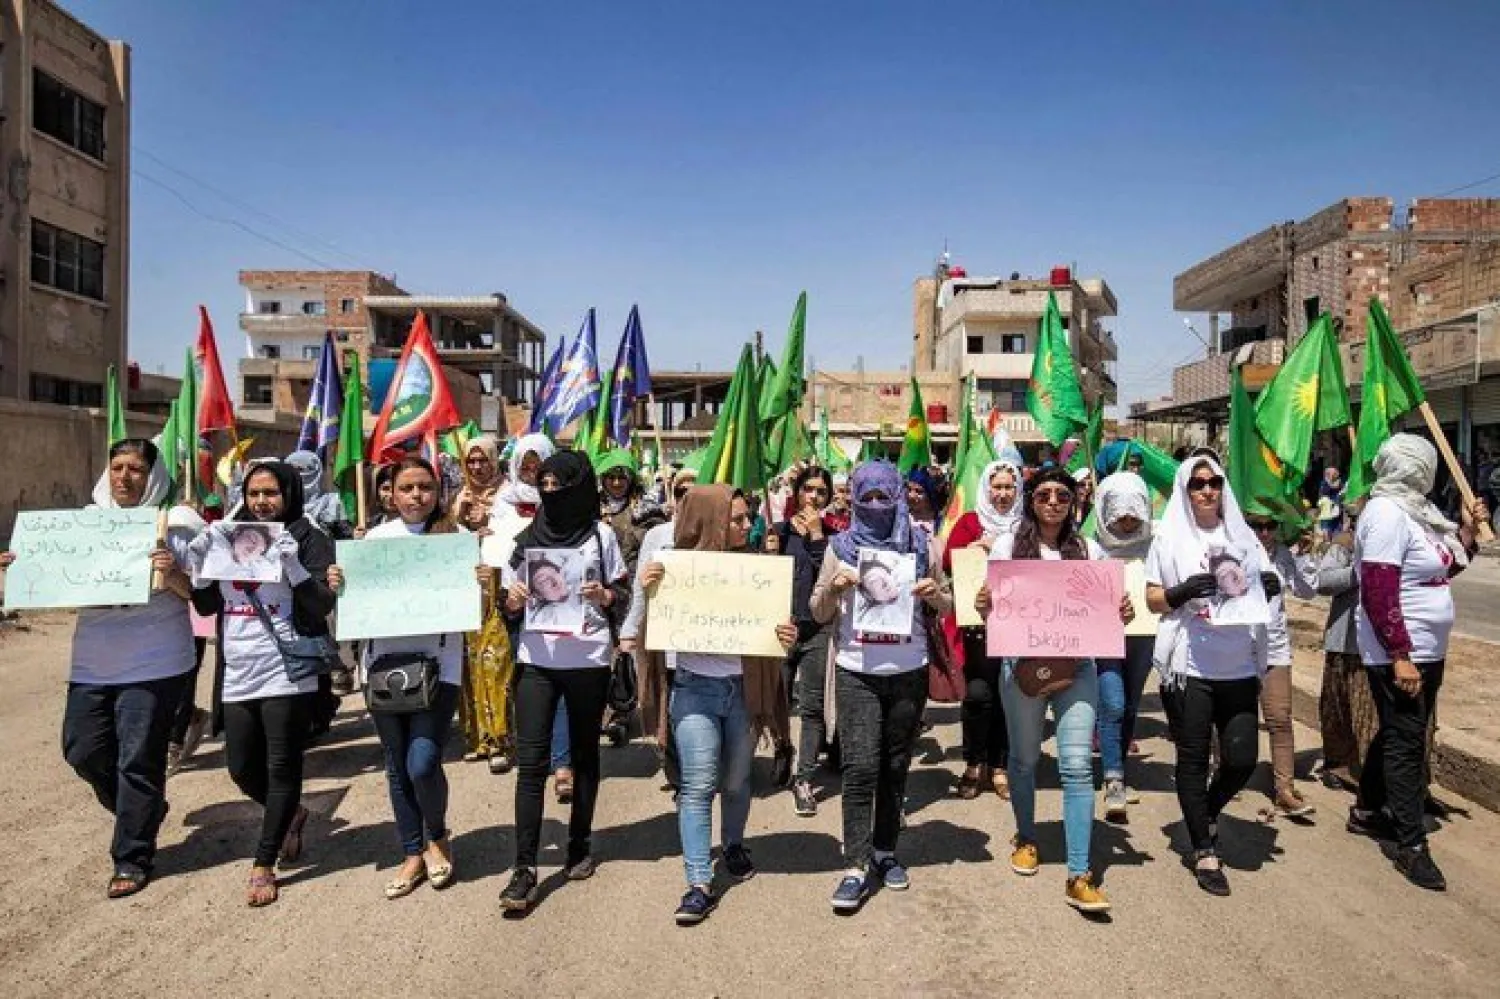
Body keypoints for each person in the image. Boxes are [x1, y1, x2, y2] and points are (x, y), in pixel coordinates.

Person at [0, 439, 199, 899]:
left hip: (155, 661)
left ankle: (132, 857)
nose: (124, 477)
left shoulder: (178, 524)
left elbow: (198, 595)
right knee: (82, 750)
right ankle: (144, 811)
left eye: (135, 469)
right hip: (93, 662)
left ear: (153, 475)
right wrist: (24, 567)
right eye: (116, 467)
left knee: (138, 760)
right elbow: (53, 575)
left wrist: (170, 575)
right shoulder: (83, 525)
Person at [636, 486, 796, 924]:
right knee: (697, 786)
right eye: (737, 519)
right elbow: (654, 634)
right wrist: (651, 594)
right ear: (709, 521)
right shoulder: (672, 568)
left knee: (738, 781)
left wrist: (785, 636)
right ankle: (698, 883)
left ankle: (733, 845)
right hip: (694, 691)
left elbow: (777, 631)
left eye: (748, 518)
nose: (747, 526)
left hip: (744, 690)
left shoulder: (759, 570)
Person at [975, 467, 1127, 914]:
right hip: (1022, 668)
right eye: (1045, 494)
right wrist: (985, 605)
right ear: (1032, 499)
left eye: (1063, 494)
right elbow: (991, 611)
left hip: (1078, 667)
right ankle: (1026, 835)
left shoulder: (1089, 549)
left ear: (1073, 501)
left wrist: (1122, 608)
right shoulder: (1007, 547)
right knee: (1023, 760)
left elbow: (1110, 614)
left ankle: (1079, 874)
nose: (1054, 501)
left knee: (1078, 766)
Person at [190, 460, 335, 907]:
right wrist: (198, 568)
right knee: (240, 766)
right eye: (254, 494)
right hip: (238, 668)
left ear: (289, 494)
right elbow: (208, 602)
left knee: (281, 767)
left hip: (287, 668)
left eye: (271, 493)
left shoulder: (311, 539)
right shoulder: (229, 535)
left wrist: (292, 566)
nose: (261, 502)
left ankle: (263, 862)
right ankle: (291, 812)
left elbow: (319, 606)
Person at [810, 461, 951, 913]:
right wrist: (833, 589)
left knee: (895, 766)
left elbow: (948, 604)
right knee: (860, 768)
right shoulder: (839, 548)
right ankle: (854, 864)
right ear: (853, 498)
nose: (875, 505)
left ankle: (885, 852)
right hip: (856, 669)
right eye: (866, 497)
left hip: (908, 670)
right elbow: (817, 612)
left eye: (883, 496)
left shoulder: (922, 543)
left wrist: (934, 595)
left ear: (897, 496)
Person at [1349, 434, 1486, 891]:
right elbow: (1378, 588)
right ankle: (1411, 846)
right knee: (1407, 742)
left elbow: (1445, 569)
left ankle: (1367, 809)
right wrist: (1400, 656)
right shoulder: (1386, 513)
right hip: (1400, 653)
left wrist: (1466, 531)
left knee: (1398, 731)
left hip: (1428, 650)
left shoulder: (1419, 514)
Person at [328, 456, 467, 899]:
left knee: (422, 762)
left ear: (437, 490)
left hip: (439, 667)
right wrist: (341, 579)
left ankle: (438, 834)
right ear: (390, 492)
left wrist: (480, 578)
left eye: (424, 487)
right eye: (406, 488)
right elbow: (352, 602)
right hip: (383, 667)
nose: (416, 496)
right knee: (396, 765)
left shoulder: (456, 538)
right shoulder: (375, 540)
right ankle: (412, 851)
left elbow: (474, 603)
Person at [498, 452, 631, 913]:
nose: (551, 492)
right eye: (545, 483)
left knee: (583, 754)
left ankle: (579, 841)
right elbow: (507, 601)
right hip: (537, 660)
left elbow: (623, 593)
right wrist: (512, 600)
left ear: (578, 487)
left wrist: (607, 595)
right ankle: (524, 867)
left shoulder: (602, 535)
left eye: (560, 484)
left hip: (587, 660)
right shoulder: (527, 539)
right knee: (531, 763)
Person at [1145, 456, 1269, 897]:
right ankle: (1203, 848)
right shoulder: (1169, 538)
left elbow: (1266, 578)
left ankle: (1204, 811)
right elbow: (1153, 599)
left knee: (1242, 759)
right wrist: (1180, 592)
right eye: (1197, 483)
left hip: (1237, 664)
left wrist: (1269, 586)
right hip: (1190, 666)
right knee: (1193, 759)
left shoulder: (1243, 535)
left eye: (1214, 481)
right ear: (1185, 489)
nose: (1206, 490)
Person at [944, 459, 1021, 800]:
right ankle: (974, 763)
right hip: (977, 628)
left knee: (1008, 696)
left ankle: (1000, 765)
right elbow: (947, 562)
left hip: (1017, 625)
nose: (1002, 494)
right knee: (978, 695)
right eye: (997, 487)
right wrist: (974, 548)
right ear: (987, 489)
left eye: (1009, 487)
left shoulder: (1026, 524)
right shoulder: (970, 522)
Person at [1092, 471, 1156, 822]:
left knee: (1130, 703)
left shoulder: (1158, 545)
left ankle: (1120, 766)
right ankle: (1112, 776)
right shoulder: (1091, 547)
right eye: (1119, 517)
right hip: (1104, 636)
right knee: (1112, 701)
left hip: (1143, 635)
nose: (1128, 523)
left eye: (1134, 516)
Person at [773, 465, 837, 816]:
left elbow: (827, 578)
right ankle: (783, 748)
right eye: (808, 490)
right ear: (797, 493)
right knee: (778, 700)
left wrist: (816, 536)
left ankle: (804, 778)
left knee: (812, 707)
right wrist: (769, 546)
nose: (813, 497)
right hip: (781, 630)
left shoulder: (831, 537)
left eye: (821, 492)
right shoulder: (777, 532)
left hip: (817, 629)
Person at [1246, 513, 1318, 819]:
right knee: (1232, 717)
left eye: (1270, 525)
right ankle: (1221, 775)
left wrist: (1304, 555)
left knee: (1279, 717)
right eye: (1257, 525)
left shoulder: (1284, 555)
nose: (1264, 532)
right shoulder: (1232, 550)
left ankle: (1284, 791)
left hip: (1274, 649)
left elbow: (1307, 590)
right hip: (1238, 649)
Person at [1315, 501, 1379, 791]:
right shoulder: (1344, 544)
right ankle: (1337, 764)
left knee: (1368, 713)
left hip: (1378, 642)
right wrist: (1358, 573)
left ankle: (1367, 769)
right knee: (1338, 708)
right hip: (1345, 639)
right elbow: (1323, 581)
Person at [596, 449, 668, 571]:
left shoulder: (646, 508)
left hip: (636, 577)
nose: (616, 483)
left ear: (631, 479)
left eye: (622, 477)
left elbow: (659, 545)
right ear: (603, 479)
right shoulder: (592, 509)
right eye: (611, 477)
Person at [285, 450, 352, 540]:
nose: (297, 474)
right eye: (292, 470)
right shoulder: (281, 503)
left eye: (300, 469)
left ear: (316, 472)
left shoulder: (333, 502)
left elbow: (345, 536)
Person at [492, 433, 555, 524]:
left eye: (539, 468)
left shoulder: (560, 497)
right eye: (525, 469)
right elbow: (497, 527)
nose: (533, 475)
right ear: (515, 469)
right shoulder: (505, 498)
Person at [451, 435, 504, 534]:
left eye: (483, 460)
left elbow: (514, 526)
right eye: (471, 461)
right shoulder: (459, 491)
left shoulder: (508, 490)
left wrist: (488, 521)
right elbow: (446, 529)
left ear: (493, 461)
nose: (477, 467)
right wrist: (460, 512)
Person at [905, 467, 946, 536]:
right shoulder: (901, 517)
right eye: (909, 489)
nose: (912, 495)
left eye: (918, 491)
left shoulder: (942, 527)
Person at [1318, 466, 1345, 540]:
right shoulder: (1324, 483)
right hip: (1327, 511)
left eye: (1335, 473)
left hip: (1336, 511)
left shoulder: (1340, 483)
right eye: (1328, 474)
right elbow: (1323, 495)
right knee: (1326, 529)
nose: (1332, 475)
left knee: (1335, 529)